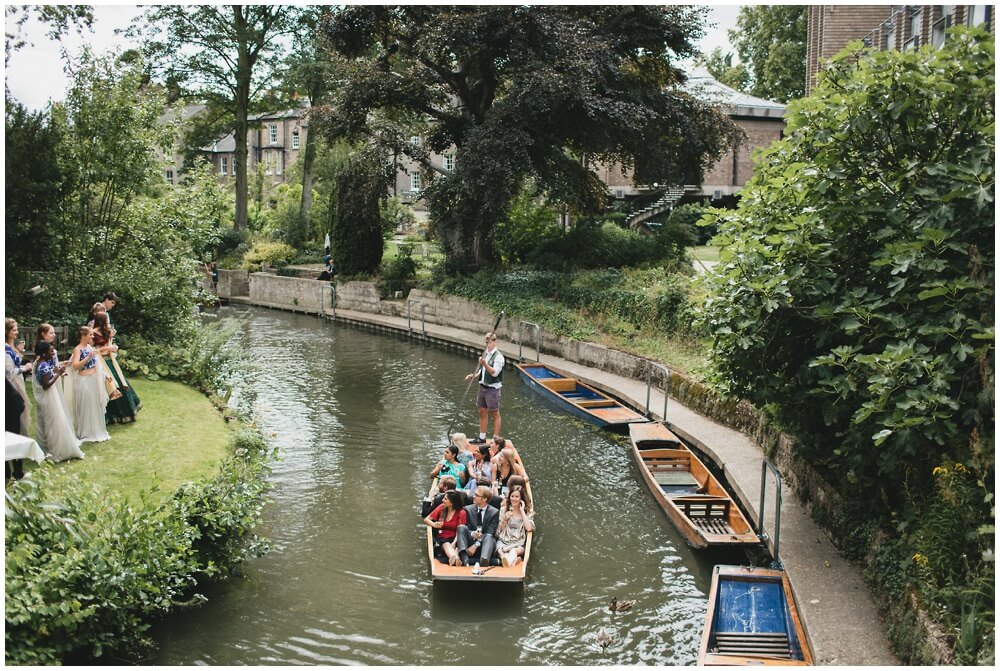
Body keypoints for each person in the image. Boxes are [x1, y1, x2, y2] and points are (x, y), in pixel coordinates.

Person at [32, 340, 85, 462]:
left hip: (46, 398)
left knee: (48, 423)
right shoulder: (43, 365)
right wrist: (58, 374)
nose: (53, 353)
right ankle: (58, 451)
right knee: (56, 423)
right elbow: (46, 385)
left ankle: (47, 448)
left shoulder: (38, 362)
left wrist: (55, 371)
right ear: (44, 353)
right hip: (49, 398)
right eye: (50, 351)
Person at [92, 311, 141, 423]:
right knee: (109, 385)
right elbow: (92, 350)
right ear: (102, 321)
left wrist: (113, 347)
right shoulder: (93, 333)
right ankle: (110, 415)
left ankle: (126, 412)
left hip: (110, 360)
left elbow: (109, 345)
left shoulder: (108, 331)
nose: (108, 322)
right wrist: (107, 349)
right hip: (101, 361)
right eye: (107, 319)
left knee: (120, 383)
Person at [69, 326, 110, 443]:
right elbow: (75, 366)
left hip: (93, 380)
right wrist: (88, 357)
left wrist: (106, 375)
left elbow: (97, 363)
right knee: (86, 405)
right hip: (84, 380)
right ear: (83, 336)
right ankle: (87, 432)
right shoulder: (78, 349)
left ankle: (97, 430)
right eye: (90, 335)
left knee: (95, 405)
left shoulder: (88, 347)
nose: (93, 337)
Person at [464, 331, 504, 443]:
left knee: (495, 413)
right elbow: (483, 370)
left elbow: (494, 373)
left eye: (490, 342)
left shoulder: (499, 357)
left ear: (495, 342)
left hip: (492, 389)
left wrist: (485, 364)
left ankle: (496, 438)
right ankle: (482, 437)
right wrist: (474, 376)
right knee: (482, 411)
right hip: (482, 387)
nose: (488, 345)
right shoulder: (486, 353)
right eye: (487, 342)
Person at [455, 485, 500, 567]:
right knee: (461, 527)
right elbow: (467, 528)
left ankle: (484, 561)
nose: (473, 497)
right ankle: (464, 560)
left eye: (476, 495)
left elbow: (490, 532)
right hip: (471, 541)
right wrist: (472, 534)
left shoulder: (494, 512)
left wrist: (476, 544)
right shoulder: (468, 509)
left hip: (485, 544)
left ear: (484, 499)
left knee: (489, 536)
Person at [424, 490, 467, 566]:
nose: (442, 500)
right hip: (442, 538)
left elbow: (460, 530)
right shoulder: (441, 508)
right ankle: (456, 559)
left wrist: (454, 543)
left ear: (452, 502)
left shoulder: (461, 512)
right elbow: (426, 519)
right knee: (446, 544)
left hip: (456, 538)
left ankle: (455, 559)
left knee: (454, 547)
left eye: (445, 499)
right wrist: (434, 525)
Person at [4, 318, 32, 435]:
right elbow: (9, 372)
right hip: (12, 384)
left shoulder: (11, 345)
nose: (17, 332)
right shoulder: (5, 349)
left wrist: (18, 351)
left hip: (18, 380)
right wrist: (24, 368)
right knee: (16, 409)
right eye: (14, 330)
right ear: (7, 331)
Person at [496, 486, 535, 567]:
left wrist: (522, 511)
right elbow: (500, 530)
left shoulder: (527, 512)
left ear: (521, 498)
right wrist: (505, 519)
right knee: (500, 551)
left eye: (517, 497)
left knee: (513, 551)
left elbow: (529, 528)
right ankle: (511, 562)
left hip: (518, 542)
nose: (514, 499)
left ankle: (508, 563)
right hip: (504, 540)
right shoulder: (504, 510)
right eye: (512, 496)